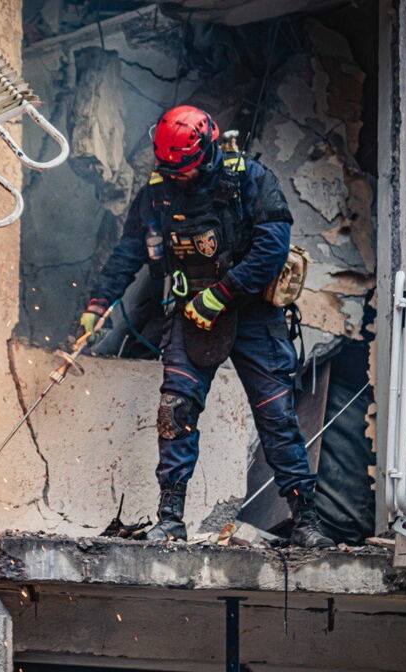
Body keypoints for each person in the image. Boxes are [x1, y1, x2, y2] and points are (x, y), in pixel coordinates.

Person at [77, 105, 333, 547]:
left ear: (209, 147)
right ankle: (170, 519)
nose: (180, 177)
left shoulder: (249, 179)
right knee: (175, 413)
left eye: (186, 168)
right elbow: (128, 253)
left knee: (277, 418)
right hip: (190, 314)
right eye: (171, 169)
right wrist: (99, 302)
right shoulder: (158, 194)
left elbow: (272, 248)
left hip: (253, 314)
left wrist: (223, 293)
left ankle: (306, 520)